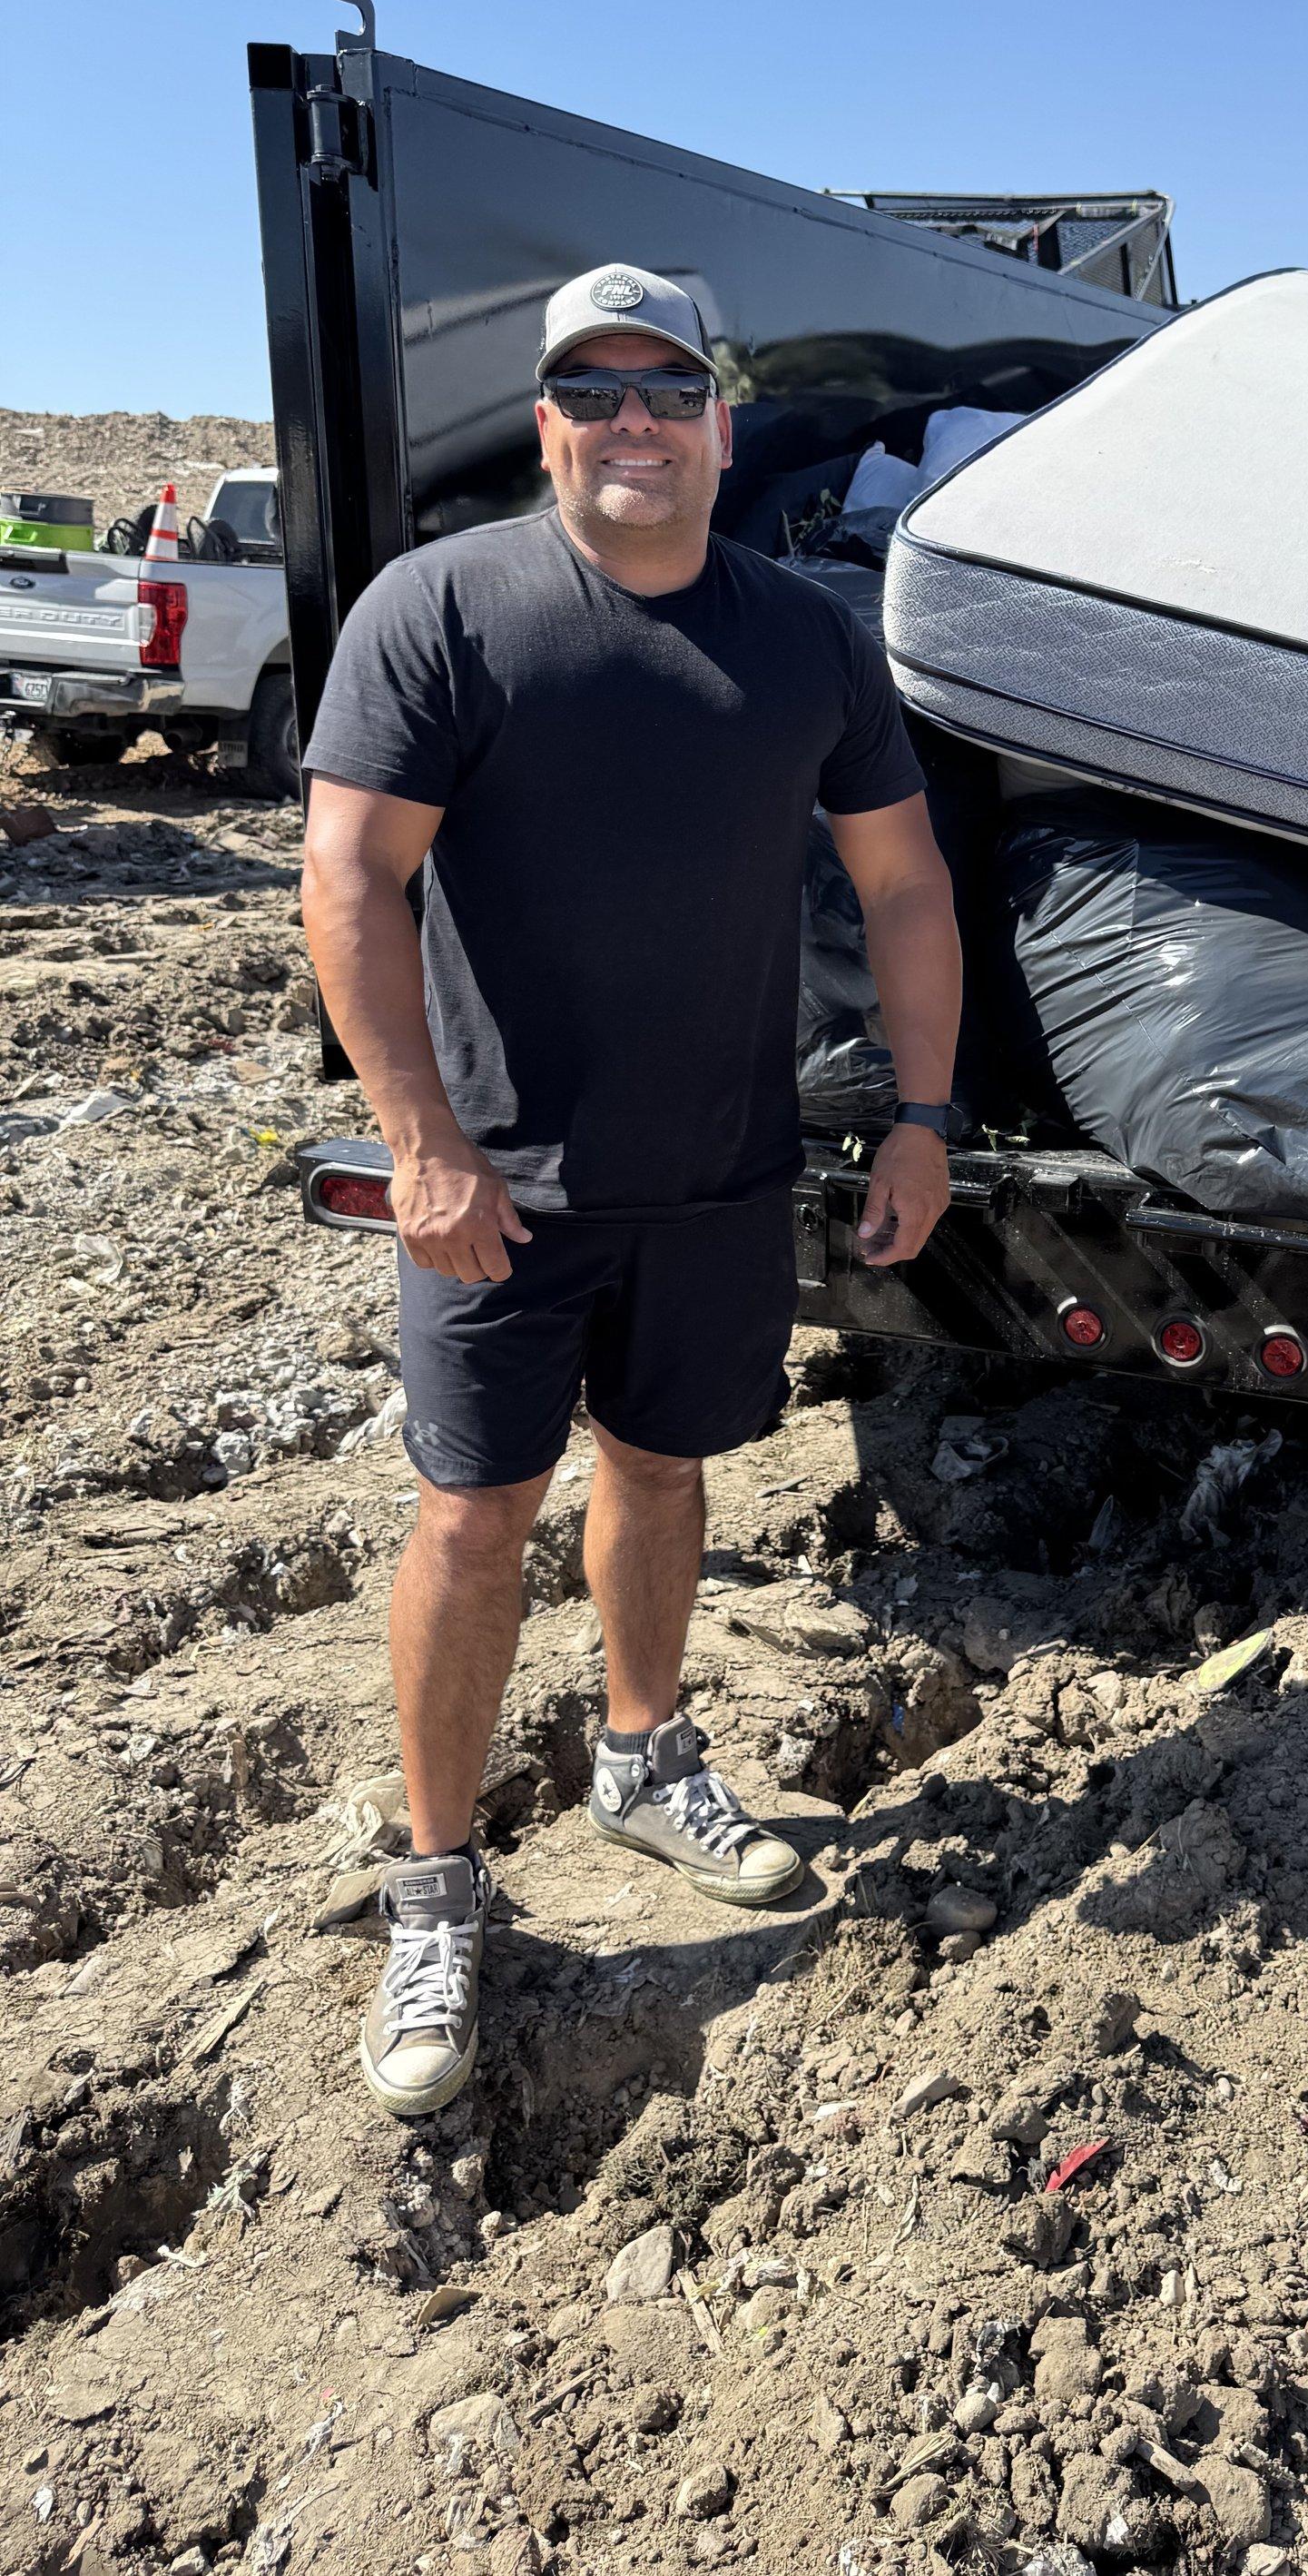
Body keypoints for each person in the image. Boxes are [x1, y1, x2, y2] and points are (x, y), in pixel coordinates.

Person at [300, 262, 961, 2118]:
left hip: (718, 1173)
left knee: (664, 1468)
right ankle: (436, 1889)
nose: (632, 423)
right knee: (473, 1515)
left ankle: (644, 1752)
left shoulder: (804, 639)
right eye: (591, 393)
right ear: (544, 426)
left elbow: (903, 885)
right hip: (495, 1187)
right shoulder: (444, 610)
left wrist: (921, 1111)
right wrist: (421, 1143)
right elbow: (354, 879)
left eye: (665, 386)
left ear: (719, 420)